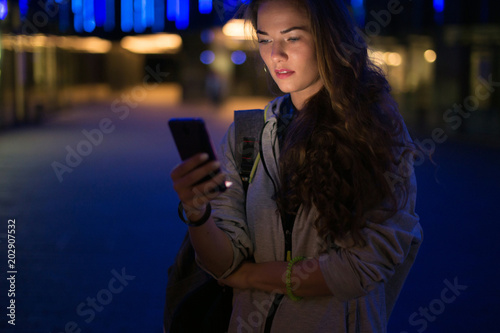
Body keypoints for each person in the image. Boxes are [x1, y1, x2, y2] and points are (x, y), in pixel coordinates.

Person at [170, 0, 423, 332]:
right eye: (264, 39)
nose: (275, 54)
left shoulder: (374, 131)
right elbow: (222, 263)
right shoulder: (247, 133)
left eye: (292, 37)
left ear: (328, 38)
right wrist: (196, 211)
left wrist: (248, 276)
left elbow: (361, 267)